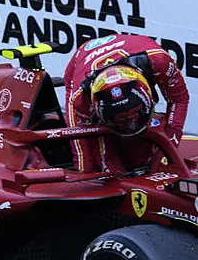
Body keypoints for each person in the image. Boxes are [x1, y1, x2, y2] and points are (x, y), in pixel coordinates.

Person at [63, 34, 189, 174]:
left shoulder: (159, 61)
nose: (130, 124)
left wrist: (168, 146)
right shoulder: (80, 98)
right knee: (86, 164)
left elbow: (179, 99)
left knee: (144, 152)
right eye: (121, 120)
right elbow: (90, 139)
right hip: (79, 64)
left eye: (134, 114)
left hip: (133, 49)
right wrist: (113, 175)